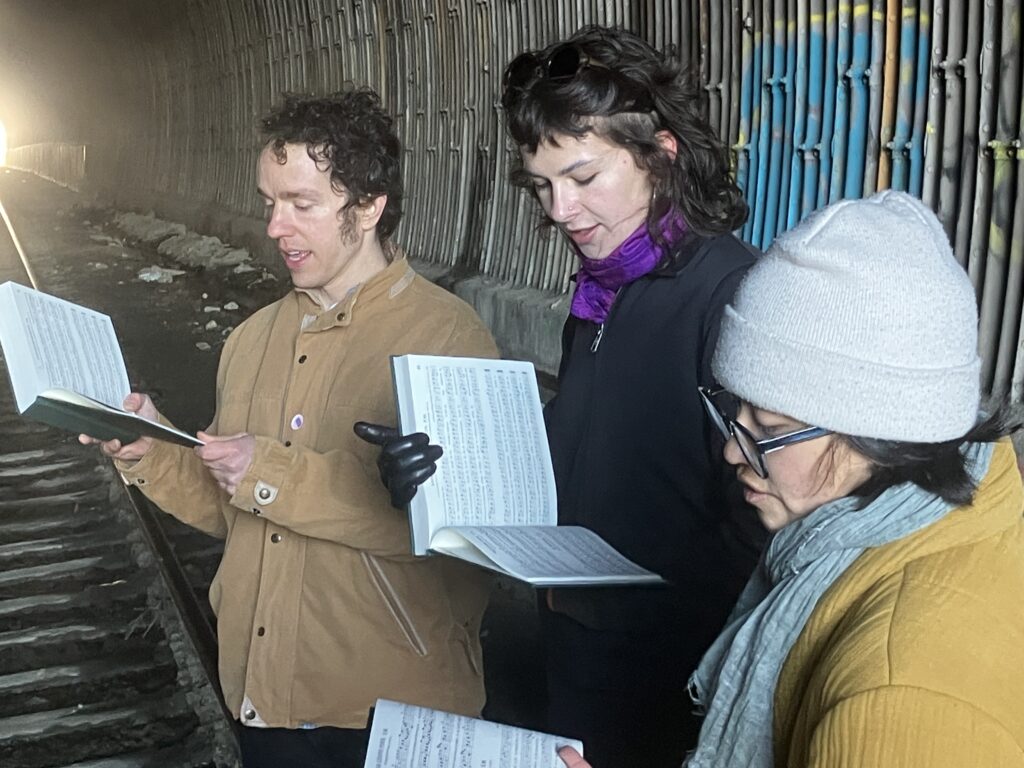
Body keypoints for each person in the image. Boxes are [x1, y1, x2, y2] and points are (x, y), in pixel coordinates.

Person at [364, 25, 768, 767]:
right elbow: (590, 454)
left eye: (583, 178)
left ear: (662, 154)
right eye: (542, 186)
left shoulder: (733, 298)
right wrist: (437, 471)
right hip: (580, 655)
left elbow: (767, 531)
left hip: (672, 687)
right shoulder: (602, 293)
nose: (559, 210)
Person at [80, 87, 498, 768]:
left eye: (302, 205)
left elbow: (463, 536)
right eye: (270, 202)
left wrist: (268, 471)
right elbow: (232, 507)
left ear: (368, 206)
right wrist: (151, 446)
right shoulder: (250, 340)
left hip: (385, 714)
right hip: (263, 699)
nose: (275, 227)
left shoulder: (447, 341)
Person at [560, 190, 1024, 767]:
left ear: (879, 432)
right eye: (737, 413)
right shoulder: (939, 529)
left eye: (770, 425)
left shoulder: (899, 698)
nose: (733, 451)